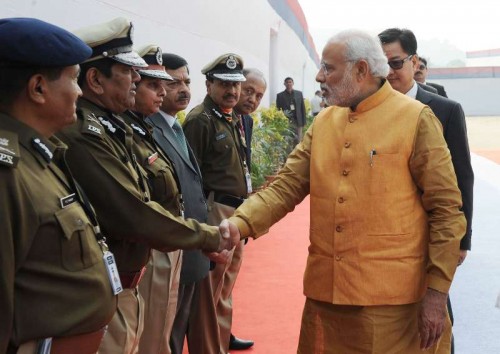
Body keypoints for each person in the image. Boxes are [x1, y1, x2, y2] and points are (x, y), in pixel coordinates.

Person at [222, 29, 466, 354]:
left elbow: (447, 211)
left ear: (361, 70)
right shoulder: (324, 123)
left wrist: (436, 293)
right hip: (327, 299)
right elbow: (286, 186)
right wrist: (238, 224)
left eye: (329, 68)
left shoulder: (415, 119)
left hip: (393, 306)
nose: (320, 76)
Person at [57, 18, 238, 354]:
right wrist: (208, 236)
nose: (138, 80)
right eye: (130, 72)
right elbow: (133, 211)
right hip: (109, 283)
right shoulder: (85, 131)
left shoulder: (115, 126)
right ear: (95, 79)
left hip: (134, 271)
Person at [0, 18, 116, 354]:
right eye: (74, 79)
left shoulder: (38, 153)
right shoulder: (7, 171)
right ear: (38, 88)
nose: (80, 91)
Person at [378, 27, 474, 354]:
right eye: (381, 64)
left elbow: (463, 178)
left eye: (395, 63)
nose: (388, 72)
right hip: (389, 238)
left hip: (435, 231)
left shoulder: (445, 109)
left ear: (413, 60)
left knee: (435, 309)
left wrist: (463, 240)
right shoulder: (370, 111)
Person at [146, 53, 218, 354]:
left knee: (180, 322)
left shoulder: (177, 126)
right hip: (171, 244)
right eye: (173, 83)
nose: (182, 89)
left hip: (190, 245)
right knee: (164, 330)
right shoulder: (149, 130)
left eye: (186, 81)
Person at [183, 53, 253, 353]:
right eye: (224, 83)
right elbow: (191, 175)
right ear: (209, 83)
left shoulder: (231, 116)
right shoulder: (200, 120)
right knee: (209, 290)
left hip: (235, 210)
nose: (233, 91)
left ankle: (222, 339)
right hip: (215, 211)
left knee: (225, 286)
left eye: (237, 84)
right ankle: (207, 346)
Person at [118, 44, 182, 354]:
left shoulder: (143, 128)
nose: (161, 93)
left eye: (163, 85)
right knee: (149, 336)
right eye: (152, 85)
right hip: (150, 243)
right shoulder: (124, 131)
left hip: (166, 238)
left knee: (159, 327)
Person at [229, 67, 267, 350]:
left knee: (230, 278)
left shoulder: (246, 122)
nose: (252, 99)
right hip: (218, 208)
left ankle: (223, 329)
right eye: (249, 90)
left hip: (239, 205)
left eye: (259, 95)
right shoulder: (213, 120)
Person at [276, 77, 306, 145]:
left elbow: (302, 108)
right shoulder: (280, 96)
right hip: (286, 122)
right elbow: (278, 110)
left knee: (298, 140)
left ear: (293, 83)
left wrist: (304, 122)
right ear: (284, 84)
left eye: (290, 82)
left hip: (298, 121)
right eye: (287, 82)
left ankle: (298, 155)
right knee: (288, 141)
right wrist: (279, 122)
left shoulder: (299, 93)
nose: (289, 83)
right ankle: (289, 155)